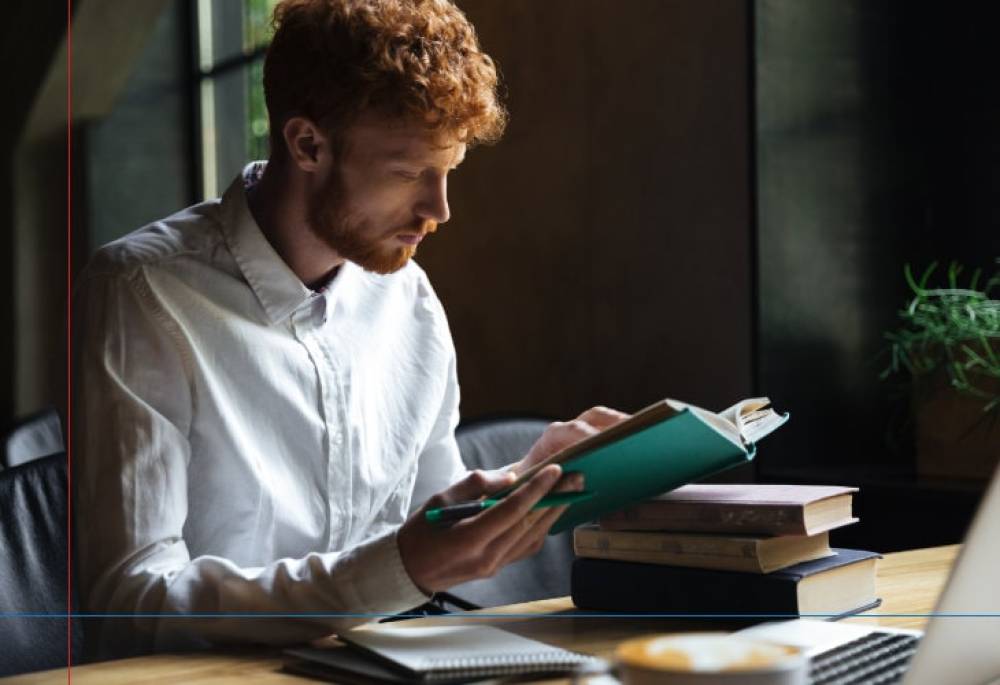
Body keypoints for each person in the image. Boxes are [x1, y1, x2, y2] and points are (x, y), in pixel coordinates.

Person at [73, 0, 626, 657]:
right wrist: (392, 571)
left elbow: (428, 531)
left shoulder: (409, 299)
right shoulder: (143, 293)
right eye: (408, 173)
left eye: (448, 172)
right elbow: (131, 600)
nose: (439, 209)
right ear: (308, 143)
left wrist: (530, 482)